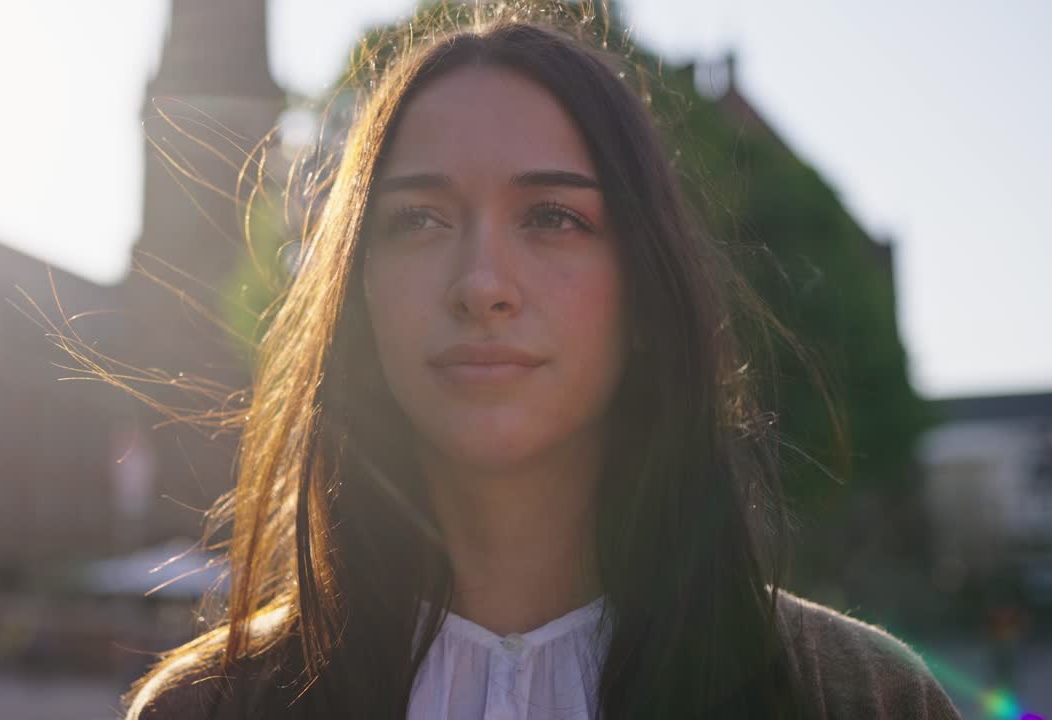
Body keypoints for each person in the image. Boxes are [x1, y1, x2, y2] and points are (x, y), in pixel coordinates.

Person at [122, 12, 961, 720]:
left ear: (641, 288)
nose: (482, 284)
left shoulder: (863, 698)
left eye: (552, 217)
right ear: (358, 291)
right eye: (419, 220)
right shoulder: (207, 708)